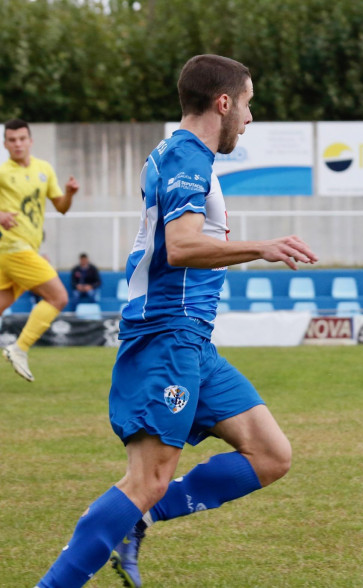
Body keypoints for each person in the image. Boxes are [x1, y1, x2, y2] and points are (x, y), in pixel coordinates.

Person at [37, 54, 318, 588]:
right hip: (168, 333)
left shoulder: (176, 152)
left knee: (270, 454)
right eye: (249, 105)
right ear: (224, 102)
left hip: (191, 338)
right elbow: (183, 245)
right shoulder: (189, 157)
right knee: (149, 478)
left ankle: (135, 524)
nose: (251, 119)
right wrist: (263, 246)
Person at [0, 118, 79, 382]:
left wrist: (69, 193)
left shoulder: (43, 169)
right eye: (12, 140)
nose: (18, 144)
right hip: (13, 247)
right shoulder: (3, 172)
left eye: (22, 138)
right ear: (5, 143)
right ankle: (19, 349)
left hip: (18, 251)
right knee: (58, 297)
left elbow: (61, 207)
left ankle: (18, 349)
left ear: (30, 141)